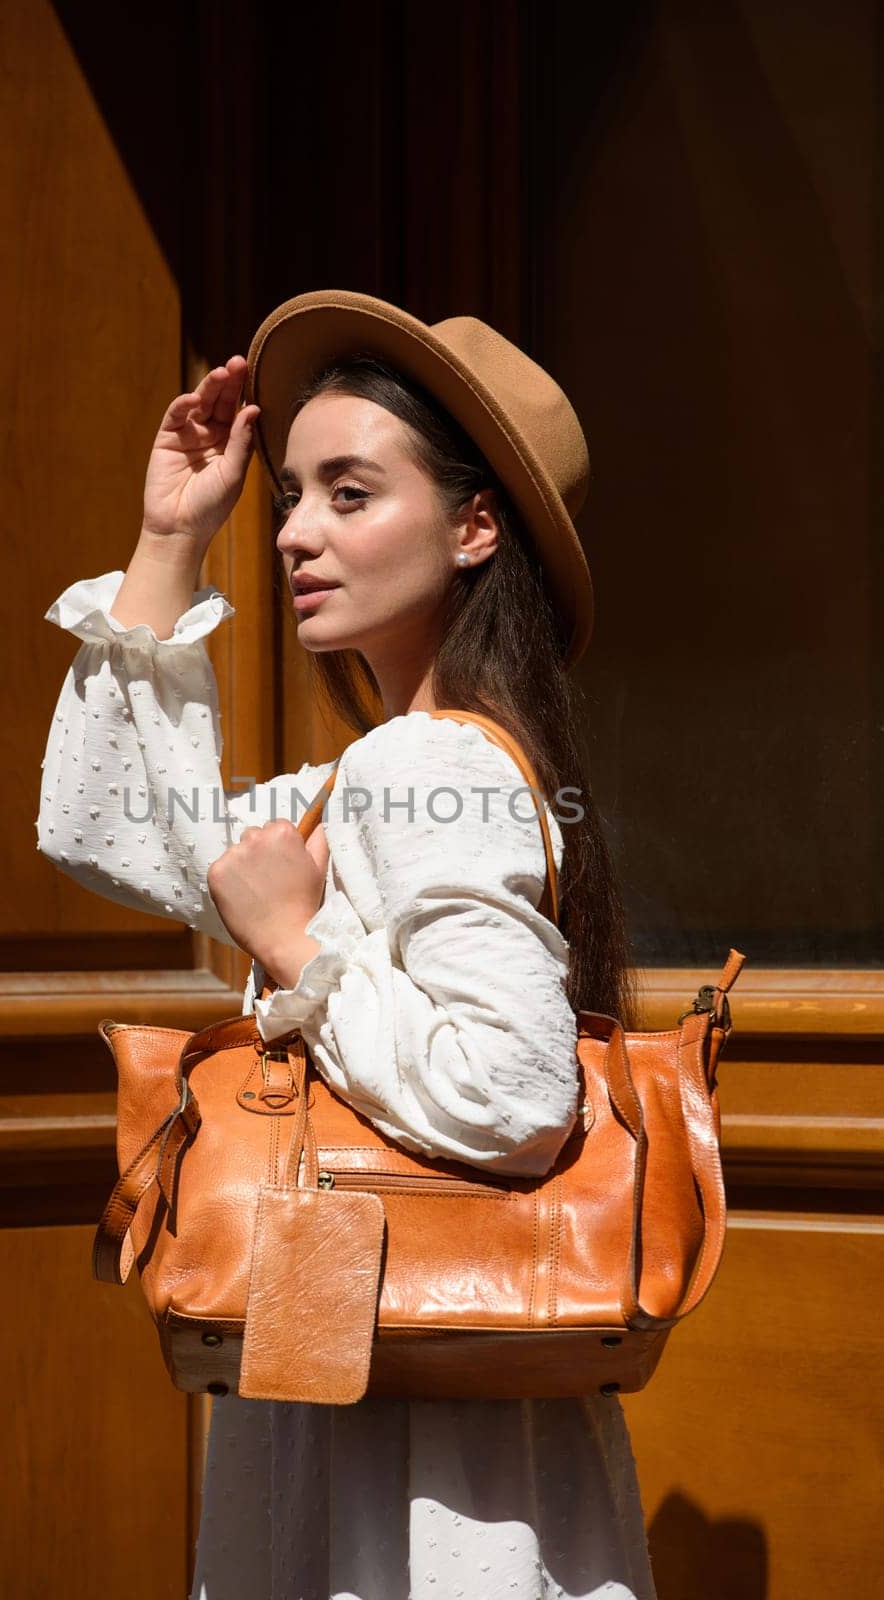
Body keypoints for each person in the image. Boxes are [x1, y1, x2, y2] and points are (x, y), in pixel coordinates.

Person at [36, 290, 656, 1600]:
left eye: (350, 494)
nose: (296, 532)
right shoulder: (380, 774)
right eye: (293, 495)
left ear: (476, 523)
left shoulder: (433, 766)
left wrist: (299, 944)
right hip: (409, 1372)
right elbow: (125, 831)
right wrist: (166, 543)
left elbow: (516, 1094)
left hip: (419, 1443)